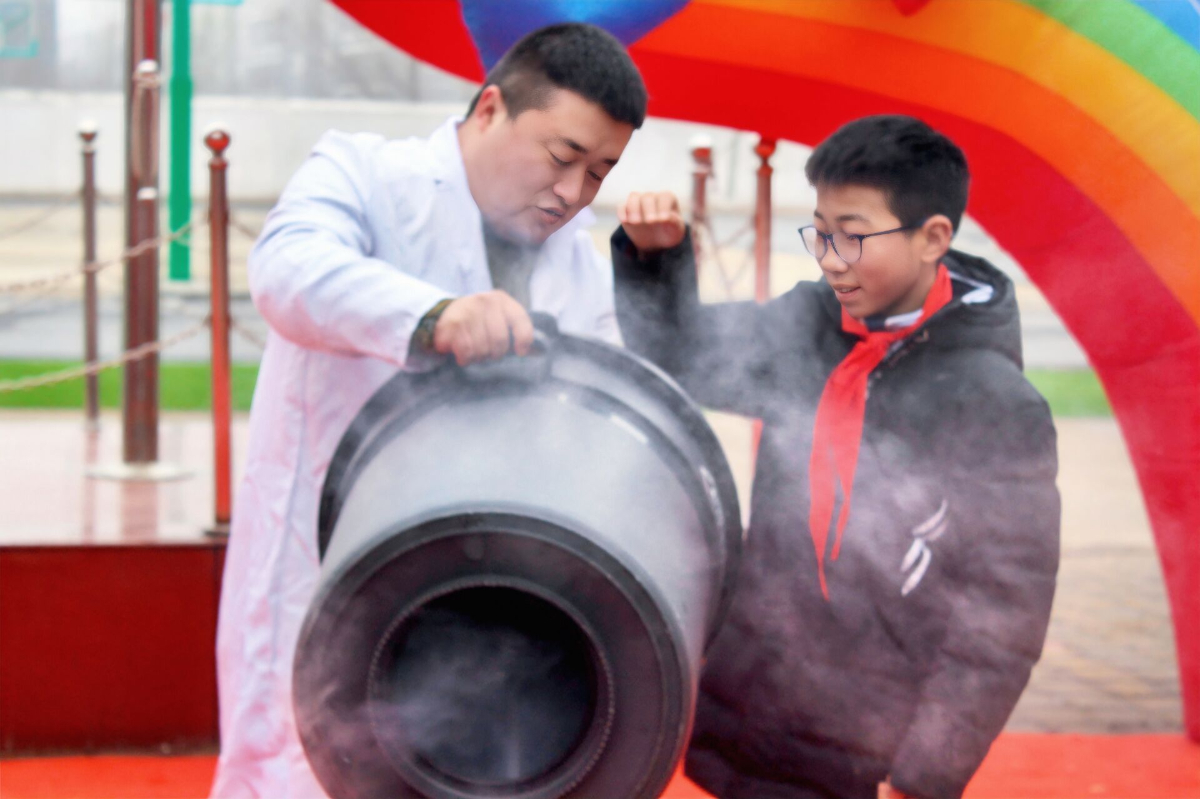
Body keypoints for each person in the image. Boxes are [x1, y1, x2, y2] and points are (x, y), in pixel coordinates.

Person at [211, 23, 671, 798]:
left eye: (599, 172)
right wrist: (433, 317)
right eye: (561, 157)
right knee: (303, 769)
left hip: (489, 596)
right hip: (325, 569)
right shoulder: (365, 176)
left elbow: (609, 411)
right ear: (490, 109)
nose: (573, 193)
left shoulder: (575, 262)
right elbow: (287, 269)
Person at [612, 115, 1060, 799]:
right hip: (754, 700)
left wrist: (925, 774)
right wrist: (656, 259)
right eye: (820, 232)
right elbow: (681, 358)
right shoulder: (808, 325)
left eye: (853, 236)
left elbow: (1002, 617)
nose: (829, 258)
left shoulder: (993, 402)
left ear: (932, 237)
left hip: (872, 743)